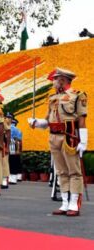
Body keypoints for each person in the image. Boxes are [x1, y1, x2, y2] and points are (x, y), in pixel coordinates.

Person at [28, 68, 87, 216]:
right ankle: (65, 202)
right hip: (53, 136)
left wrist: (83, 142)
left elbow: (81, 120)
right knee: (61, 171)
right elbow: (47, 121)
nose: (53, 82)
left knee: (74, 171)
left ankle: (74, 203)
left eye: (54, 79)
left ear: (62, 79)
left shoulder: (78, 95)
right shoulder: (53, 98)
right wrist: (36, 122)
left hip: (69, 136)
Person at [9, 117, 22, 184]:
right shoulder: (17, 129)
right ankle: (13, 177)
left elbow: (17, 140)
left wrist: (17, 149)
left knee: (12, 161)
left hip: (11, 145)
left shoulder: (15, 129)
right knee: (13, 161)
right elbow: (18, 141)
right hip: (11, 145)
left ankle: (13, 177)